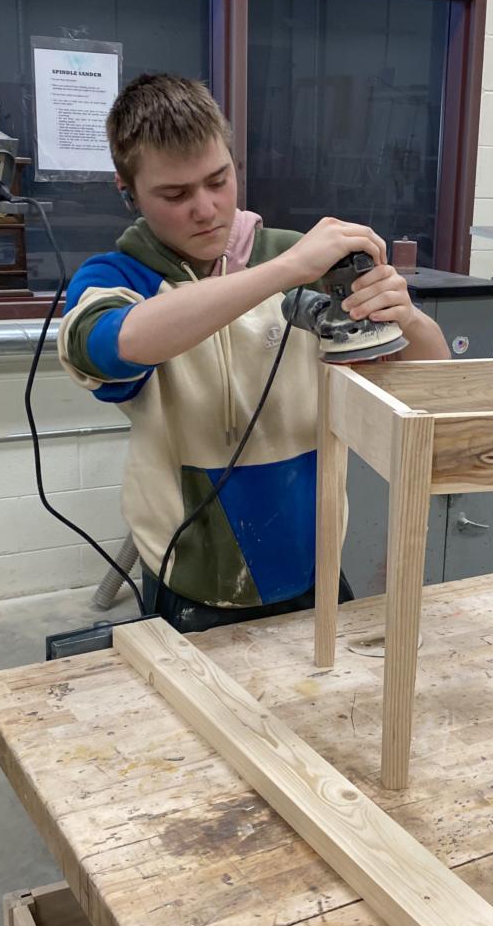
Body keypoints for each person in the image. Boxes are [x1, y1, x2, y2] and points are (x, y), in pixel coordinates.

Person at [57, 73, 448, 633]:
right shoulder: (117, 278)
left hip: (314, 562)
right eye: (175, 195)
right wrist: (284, 272)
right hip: (194, 578)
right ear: (128, 191)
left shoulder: (298, 258)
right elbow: (113, 345)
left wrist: (404, 315)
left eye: (219, 180)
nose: (206, 209)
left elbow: (438, 382)